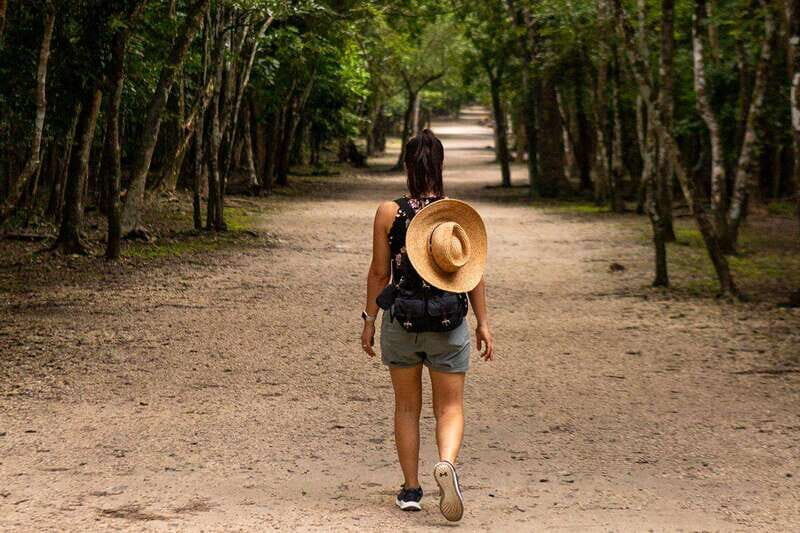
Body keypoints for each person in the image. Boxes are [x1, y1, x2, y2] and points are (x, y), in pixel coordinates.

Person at [360, 129, 494, 522]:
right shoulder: (457, 214)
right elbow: (473, 272)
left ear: (406, 166)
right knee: (450, 406)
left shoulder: (390, 211)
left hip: (401, 320)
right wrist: (483, 322)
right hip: (448, 320)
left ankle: (411, 489)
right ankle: (447, 464)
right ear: (440, 166)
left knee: (406, 407)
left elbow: (378, 272)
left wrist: (369, 321)